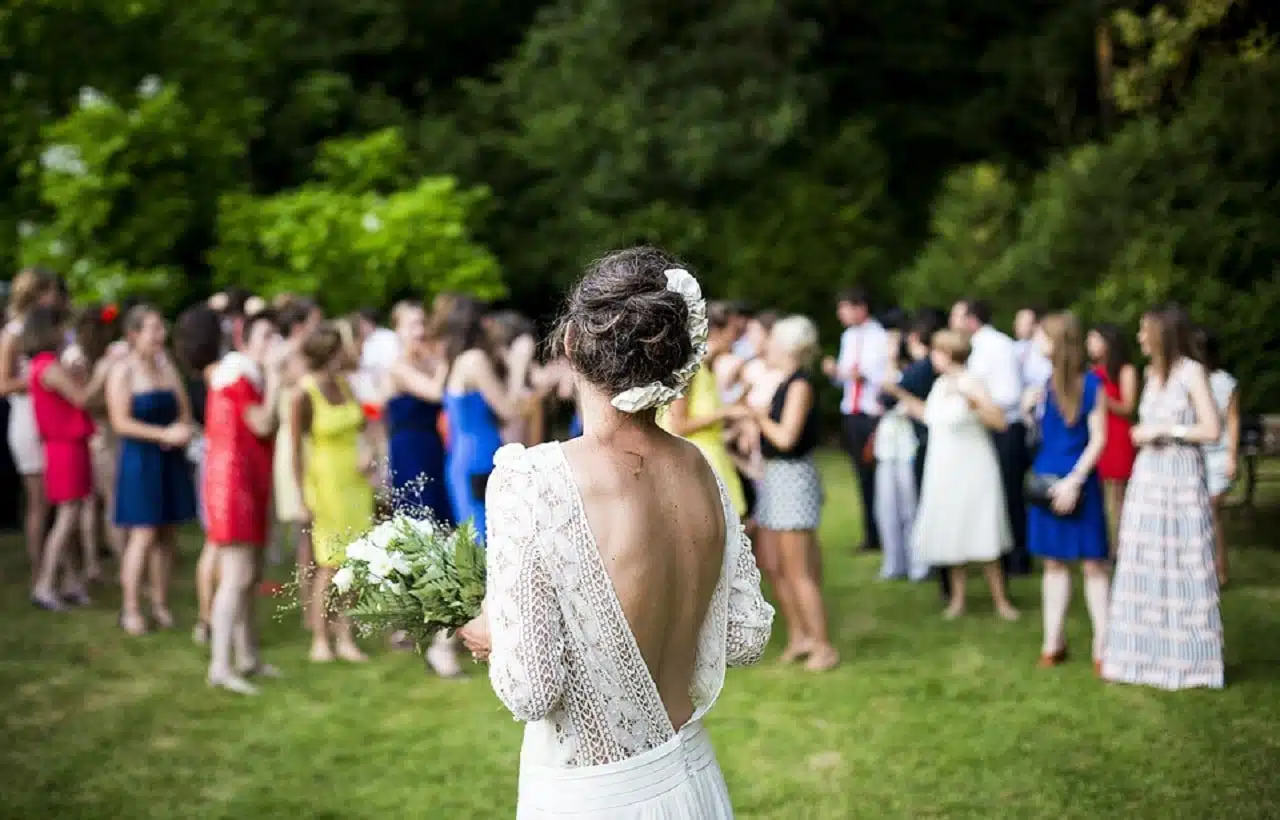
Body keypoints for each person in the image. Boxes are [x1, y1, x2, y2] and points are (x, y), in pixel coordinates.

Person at [457, 247, 773, 818]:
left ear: (573, 343)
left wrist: (492, 629)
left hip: (593, 796)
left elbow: (531, 689)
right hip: (694, 781)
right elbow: (746, 637)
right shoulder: (703, 469)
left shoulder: (533, 481)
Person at [1102, 306, 1223, 690]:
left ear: (1161, 333)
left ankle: (1190, 660)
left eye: (1144, 329)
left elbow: (1211, 429)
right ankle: (1142, 655)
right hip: (1149, 480)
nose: (1139, 336)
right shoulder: (1150, 375)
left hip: (1181, 478)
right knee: (1142, 559)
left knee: (1182, 562)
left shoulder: (1190, 372)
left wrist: (1166, 430)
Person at [902, 330, 1019, 620]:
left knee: (983, 526)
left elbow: (999, 421)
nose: (933, 358)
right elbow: (931, 417)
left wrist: (972, 400)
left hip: (974, 465)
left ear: (949, 354)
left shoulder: (972, 381)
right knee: (952, 528)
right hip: (944, 465)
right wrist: (898, 394)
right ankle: (958, 599)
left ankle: (1001, 600)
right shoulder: (940, 384)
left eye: (937, 352)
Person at [1022, 313, 1110, 672]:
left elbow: (1099, 438)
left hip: (1079, 480)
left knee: (1093, 564)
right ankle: (1052, 641)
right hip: (1046, 480)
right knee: (1053, 563)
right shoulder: (1043, 385)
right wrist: (1029, 413)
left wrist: (1074, 481)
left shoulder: (1092, 386)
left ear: (1059, 343)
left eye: (1042, 338)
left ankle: (1103, 646)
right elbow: (1041, 436)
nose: (1035, 344)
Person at [750, 315, 838, 671]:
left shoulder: (799, 386)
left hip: (792, 478)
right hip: (775, 478)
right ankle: (800, 636)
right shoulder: (785, 382)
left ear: (787, 347)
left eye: (771, 341)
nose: (765, 346)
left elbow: (786, 437)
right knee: (774, 564)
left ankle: (823, 646)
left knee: (799, 569)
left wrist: (757, 417)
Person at [203, 310, 284, 694]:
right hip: (233, 485)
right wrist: (280, 378)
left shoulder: (242, 377)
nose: (273, 344)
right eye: (266, 336)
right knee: (236, 576)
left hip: (246, 480)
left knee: (249, 575)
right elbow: (263, 423)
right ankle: (220, 665)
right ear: (245, 341)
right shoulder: (238, 378)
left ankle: (247, 655)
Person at [108, 305, 197, 635]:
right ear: (134, 335)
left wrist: (184, 429)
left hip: (169, 457)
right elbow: (120, 421)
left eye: (162, 328)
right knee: (143, 534)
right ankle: (130, 607)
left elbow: (185, 409)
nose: (161, 335)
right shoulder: (123, 371)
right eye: (153, 329)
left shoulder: (167, 368)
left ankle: (160, 603)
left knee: (167, 534)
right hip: (141, 459)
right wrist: (163, 434)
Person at [291, 322, 372, 663]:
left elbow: (363, 426)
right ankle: (320, 637)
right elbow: (295, 449)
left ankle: (345, 635)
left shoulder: (346, 385)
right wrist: (300, 495)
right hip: (325, 484)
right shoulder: (304, 393)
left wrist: (368, 452)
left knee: (354, 562)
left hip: (355, 482)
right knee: (328, 563)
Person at [25, 306, 116, 609]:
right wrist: (102, 375)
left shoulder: (43, 365)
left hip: (64, 445)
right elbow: (81, 398)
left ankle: (69, 582)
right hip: (65, 446)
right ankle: (46, 583)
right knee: (67, 517)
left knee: (70, 515)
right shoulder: (48, 367)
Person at [441, 296, 533, 539]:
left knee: (479, 539)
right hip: (479, 460)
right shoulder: (475, 359)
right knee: (486, 541)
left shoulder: (456, 358)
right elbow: (509, 410)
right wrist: (518, 366)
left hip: (466, 458)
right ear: (484, 323)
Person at [952, 299, 1029, 577]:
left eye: (956, 316)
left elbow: (1009, 394)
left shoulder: (996, 345)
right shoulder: (978, 347)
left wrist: (977, 401)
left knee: (1010, 494)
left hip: (1005, 427)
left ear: (971, 320)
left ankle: (1018, 560)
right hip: (987, 426)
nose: (952, 323)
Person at [0, 267, 62, 584]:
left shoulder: (49, 329)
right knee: (38, 500)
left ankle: (55, 562)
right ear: (37, 294)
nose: (55, 298)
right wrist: (38, 379)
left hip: (51, 416)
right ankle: (39, 568)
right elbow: (3, 384)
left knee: (57, 496)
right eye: (50, 291)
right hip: (26, 419)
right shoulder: (12, 333)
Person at [659, 302, 748, 517]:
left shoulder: (707, 369)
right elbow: (678, 425)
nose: (738, 339)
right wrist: (725, 413)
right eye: (735, 332)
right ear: (715, 331)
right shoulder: (688, 372)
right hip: (696, 464)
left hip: (716, 459)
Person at [823, 288, 888, 552]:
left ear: (861, 307)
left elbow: (872, 375)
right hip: (852, 410)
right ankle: (870, 534)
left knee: (876, 474)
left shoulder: (880, 336)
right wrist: (835, 373)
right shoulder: (848, 337)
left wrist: (850, 374)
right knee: (861, 476)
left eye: (845, 308)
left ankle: (884, 532)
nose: (841, 314)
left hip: (872, 411)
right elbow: (846, 377)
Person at [1192, 327, 1238, 587]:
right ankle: (1201, 569)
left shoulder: (1225, 382)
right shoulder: (1189, 381)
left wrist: (1232, 456)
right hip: (1196, 455)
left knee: (1211, 512)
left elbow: (1233, 421)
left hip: (1218, 456)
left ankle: (1219, 572)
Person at [1086, 324, 1139, 548]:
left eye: (1094, 339)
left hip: (1118, 435)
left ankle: (1122, 545)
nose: (1089, 345)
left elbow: (1128, 407)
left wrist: (1103, 400)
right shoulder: (1091, 372)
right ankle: (1108, 543)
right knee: (1102, 494)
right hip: (1097, 434)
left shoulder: (1126, 371)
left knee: (1118, 493)